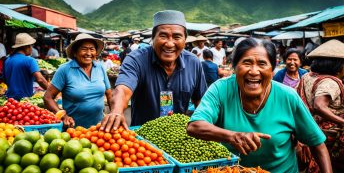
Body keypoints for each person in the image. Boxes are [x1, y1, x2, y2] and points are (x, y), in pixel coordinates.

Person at [186, 38, 332, 173]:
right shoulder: (221, 89)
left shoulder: (288, 97)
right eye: (247, 63)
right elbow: (195, 126)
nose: (254, 71)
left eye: (262, 64)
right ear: (234, 67)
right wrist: (233, 136)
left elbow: (317, 144)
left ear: (272, 69)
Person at [100, 10, 207, 131]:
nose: (170, 44)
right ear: (153, 38)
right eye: (163, 36)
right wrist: (117, 111)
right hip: (143, 138)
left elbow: (200, 100)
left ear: (185, 40)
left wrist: (203, 123)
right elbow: (123, 90)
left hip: (180, 137)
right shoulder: (135, 60)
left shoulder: (193, 63)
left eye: (177, 37)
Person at [44, 33, 114, 128]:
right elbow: (48, 97)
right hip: (73, 130)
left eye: (92, 49)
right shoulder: (65, 69)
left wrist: (114, 115)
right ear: (75, 52)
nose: (88, 53)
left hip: (99, 129)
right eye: (84, 49)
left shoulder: (100, 67)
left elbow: (109, 95)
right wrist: (63, 115)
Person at [297, 39, 344, 172]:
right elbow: (319, 105)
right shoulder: (330, 82)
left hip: (307, 131)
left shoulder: (307, 76)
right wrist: (342, 121)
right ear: (339, 66)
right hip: (329, 138)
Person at [3, 33, 49, 100]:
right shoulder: (30, 60)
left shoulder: (7, 60)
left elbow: (5, 80)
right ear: (26, 47)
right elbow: (40, 79)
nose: (31, 48)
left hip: (9, 100)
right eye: (31, 46)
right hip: (24, 101)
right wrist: (51, 92)